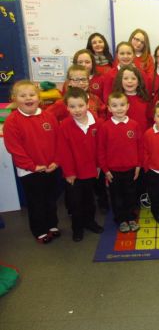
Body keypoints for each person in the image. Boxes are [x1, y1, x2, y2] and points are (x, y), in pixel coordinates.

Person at [4, 80, 60, 244]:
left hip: (51, 168)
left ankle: (52, 224)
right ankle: (40, 230)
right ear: (14, 99)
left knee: (51, 199)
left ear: (39, 97)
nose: (28, 98)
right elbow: (14, 148)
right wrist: (32, 166)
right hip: (29, 172)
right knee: (36, 202)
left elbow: (58, 141)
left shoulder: (48, 116)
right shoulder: (12, 121)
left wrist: (56, 161)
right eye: (22, 95)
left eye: (31, 95)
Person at [57, 87, 104, 242]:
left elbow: (100, 147)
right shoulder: (64, 125)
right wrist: (69, 172)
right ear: (67, 108)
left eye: (80, 106)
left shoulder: (97, 123)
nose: (77, 110)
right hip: (74, 173)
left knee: (89, 200)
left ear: (87, 104)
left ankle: (90, 222)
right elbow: (63, 152)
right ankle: (77, 228)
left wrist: (99, 166)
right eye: (72, 107)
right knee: (76, 203)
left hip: (91, 170)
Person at [98, 92, 142, 233]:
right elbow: (101, 150)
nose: (119, 108)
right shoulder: (105, 127)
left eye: (122, 105)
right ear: (109, 108)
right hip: (113, 171)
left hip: (131, 169)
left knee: (131, 195)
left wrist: (138, 165)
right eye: (115, 106)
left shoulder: (134, 125)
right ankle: (121, 219)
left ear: (127, 106)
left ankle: (130, 218)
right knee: (117, 197)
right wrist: (105, 170)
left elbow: (140, 146)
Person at [112, 64, 152, 134]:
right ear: (120, 81)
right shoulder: (115, 100)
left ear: (139, 82)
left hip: (142, 136)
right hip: (121, 136)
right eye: (126, 78)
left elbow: (150, 120)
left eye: (133, 78)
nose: (129, 81)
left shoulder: (144, 100)